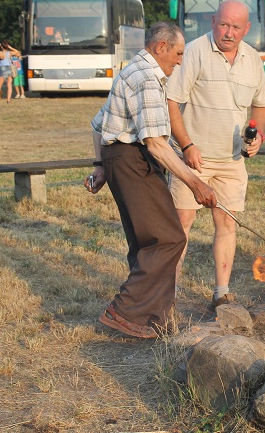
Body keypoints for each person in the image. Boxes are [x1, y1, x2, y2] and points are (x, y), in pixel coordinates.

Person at [85, 22, 217, 339]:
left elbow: (98, 125)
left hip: (122, 160)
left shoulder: (136, 72)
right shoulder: (146, 79)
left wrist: (101, 165)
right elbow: (156, 144)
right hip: (133, 161)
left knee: (147, 240)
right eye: (178, 53)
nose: (180, 60)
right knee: (167, 238)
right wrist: (195, 183)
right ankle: (124, 312)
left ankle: (150, 319)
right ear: (160, 47)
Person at [166, 0, 265, 311]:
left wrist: (259, 136)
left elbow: (262, 105)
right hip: (192, 158)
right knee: (182, 222)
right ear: (213, 21)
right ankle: (168, 293)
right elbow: (171, 101)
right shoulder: (195, 51)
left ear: (246, 29)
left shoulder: (253, 60)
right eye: (223, 24)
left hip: (231, 161)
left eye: (236, 27)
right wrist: (186, 145)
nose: (228, 32)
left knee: (227, 222)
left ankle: (221, 293)